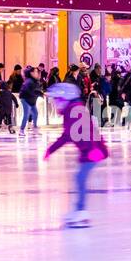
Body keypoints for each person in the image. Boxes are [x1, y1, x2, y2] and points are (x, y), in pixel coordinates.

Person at [43, 82, 109, 228]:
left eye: (57, 100)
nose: (55, 103)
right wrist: (50, 150)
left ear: (65, 99)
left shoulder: (75, 111)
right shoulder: (72, 110)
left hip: (92, 151)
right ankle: (80, 210)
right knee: (79, 179)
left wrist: (93, 151)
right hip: (90, 151)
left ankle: (81, 212)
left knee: (80, 179)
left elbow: (86, 131)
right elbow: (68, 135)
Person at [19, 68, 42, 134]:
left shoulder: (35, 81)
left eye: (37, 72)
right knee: (26, 114)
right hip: (25, 99)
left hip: (32, 100)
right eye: (35, 72)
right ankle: (21, 130)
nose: (37, 73)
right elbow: (31, 91)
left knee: (35, 113)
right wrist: (41, 94)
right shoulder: (29, 81)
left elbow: (37, 90)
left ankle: (35, 128)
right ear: (31, 73)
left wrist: (41, 93)